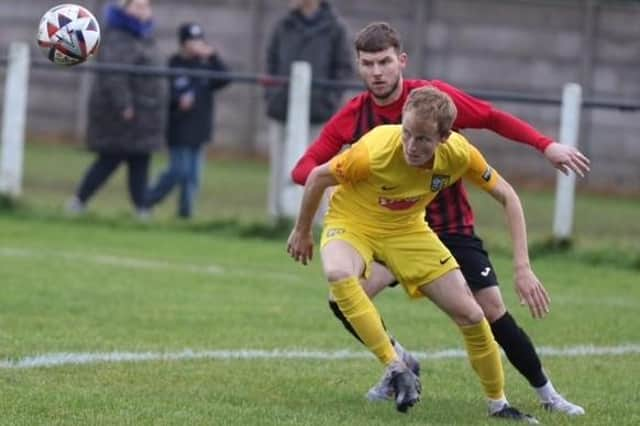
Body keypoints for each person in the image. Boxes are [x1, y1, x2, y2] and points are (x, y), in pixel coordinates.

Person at [291, 22, 588, 415]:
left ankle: (547, 395)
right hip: (383, 223)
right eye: (367, 64)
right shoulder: (356, 121)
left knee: (488, 310)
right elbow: (306, 171)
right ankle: (399, 364)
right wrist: (341, 180)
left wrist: (544, 144)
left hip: (446, 227)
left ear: (400, 61)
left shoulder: (435, 103)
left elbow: (492, 119)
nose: (376, 71)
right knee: (342, 294)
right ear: (359, 67)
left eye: (383, 62)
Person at [288, 86, 541, 421]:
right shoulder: (374, 150)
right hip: (352, 222)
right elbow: (318, 176)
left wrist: (522, 265)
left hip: (407, 230)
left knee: (472, 314)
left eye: (422, 138)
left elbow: (508, 196)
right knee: (338, 274)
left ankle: (499, 405)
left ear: (444, 137)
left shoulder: (459, 155)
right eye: (406, 133)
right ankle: (396, 368)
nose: (410, 145)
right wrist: (302, 230)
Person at [67, 0, 165, 219]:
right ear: (125, 9)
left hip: (145, 113)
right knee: (110, 159)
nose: (143, 11)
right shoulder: (116, 37)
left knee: (140, 160)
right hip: (121, 113)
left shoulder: (146, 37)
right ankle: (79, 202)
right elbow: (115, 76)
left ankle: (142, 209)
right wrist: (125, 105)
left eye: (146, 7)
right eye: (137, 6)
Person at [264, 0, 353, 219]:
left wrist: (328, 100)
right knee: (280, 169)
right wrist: (273, 95)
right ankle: (278, 218)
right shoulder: (282, 26)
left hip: (320, 114)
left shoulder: (335, 28)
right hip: (281, 109)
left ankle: (319, 222)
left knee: (320, 170)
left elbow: (343, 67)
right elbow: (270, 63)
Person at [145, 22, 231, 219]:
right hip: (179, 127)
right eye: (192, 40)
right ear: (183, 43)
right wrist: (178, 100)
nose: (196, 44)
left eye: (199, 40)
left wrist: (213, 56)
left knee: (193, 177)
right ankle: (147, 200)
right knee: (178, 171)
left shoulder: (206, 64)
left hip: (199, 129)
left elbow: (225, 78)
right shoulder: (173, 63)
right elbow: (165, 92)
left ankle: (185, 215)